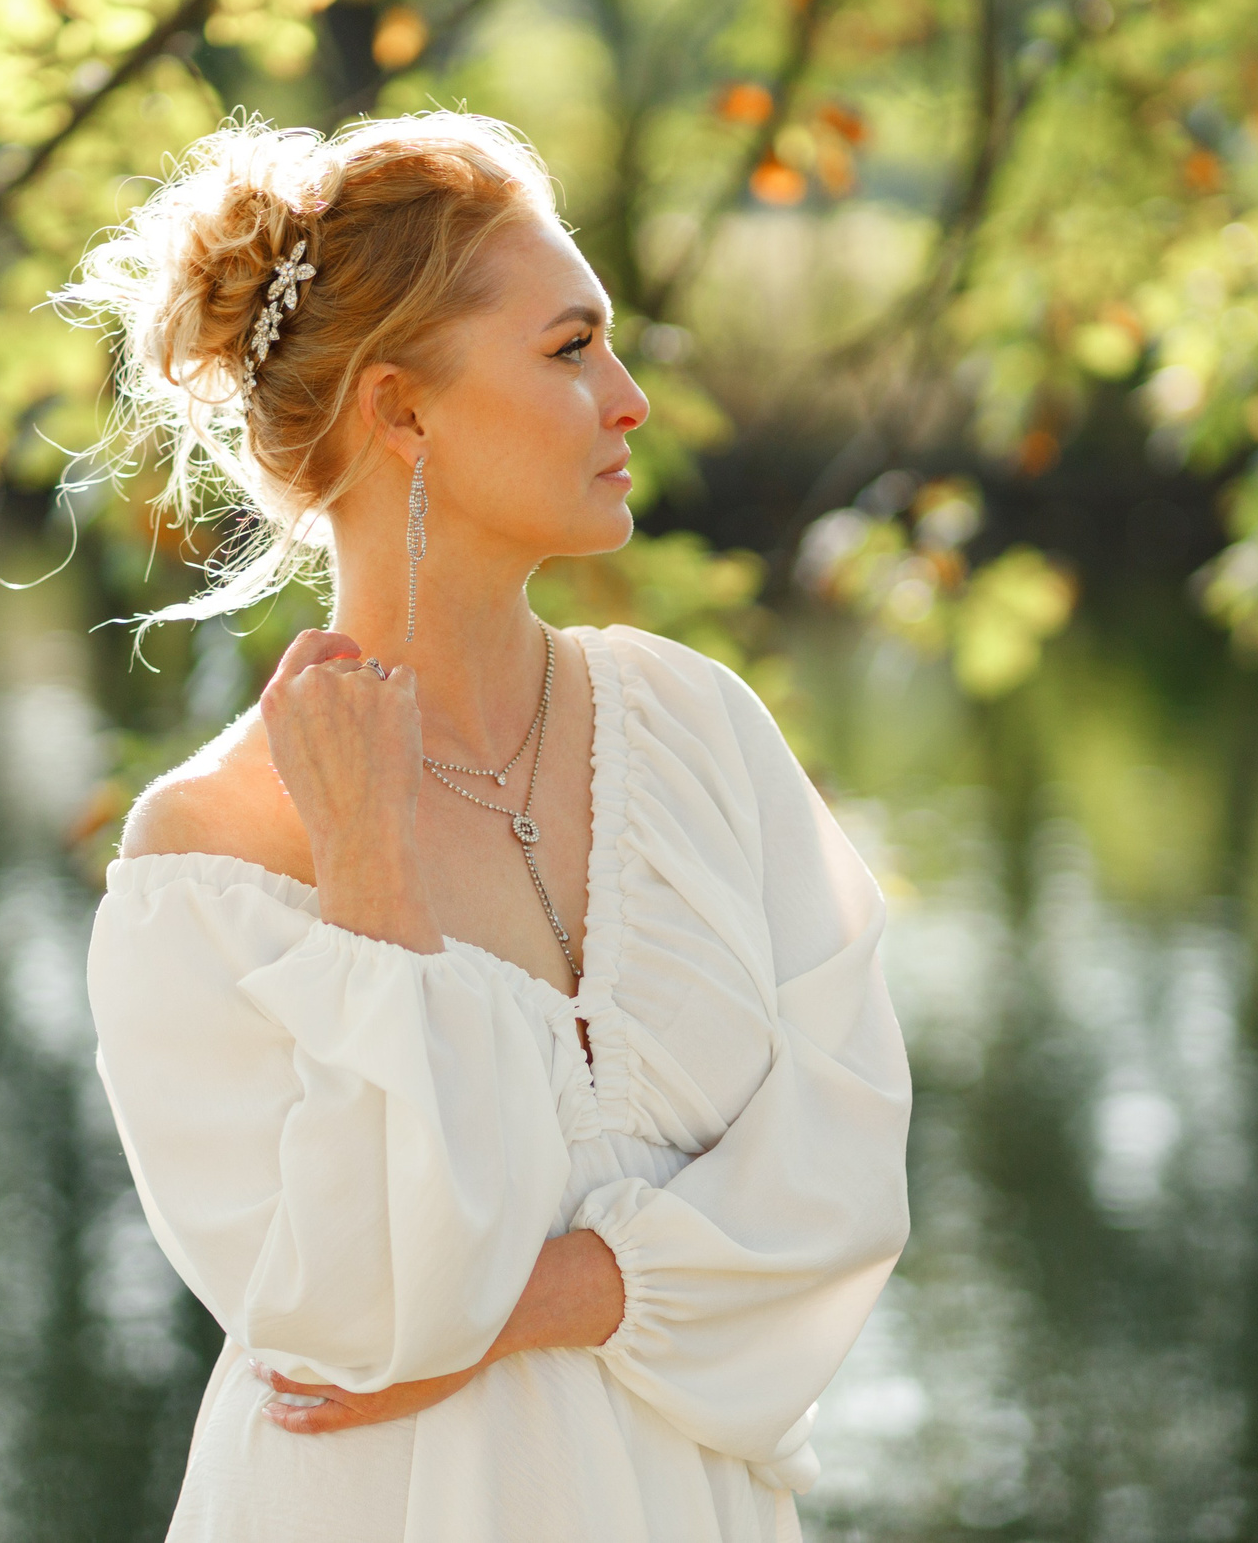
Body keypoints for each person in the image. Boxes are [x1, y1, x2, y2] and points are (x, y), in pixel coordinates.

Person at [60, 111, 911, 1543]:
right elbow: (352, 1326)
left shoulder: (699, 730)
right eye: (572, 351)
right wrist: (371, 876)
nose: (630, 397)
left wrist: (552, 1296)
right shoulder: (199, 868)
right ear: (401, 411)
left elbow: (851, 1164)